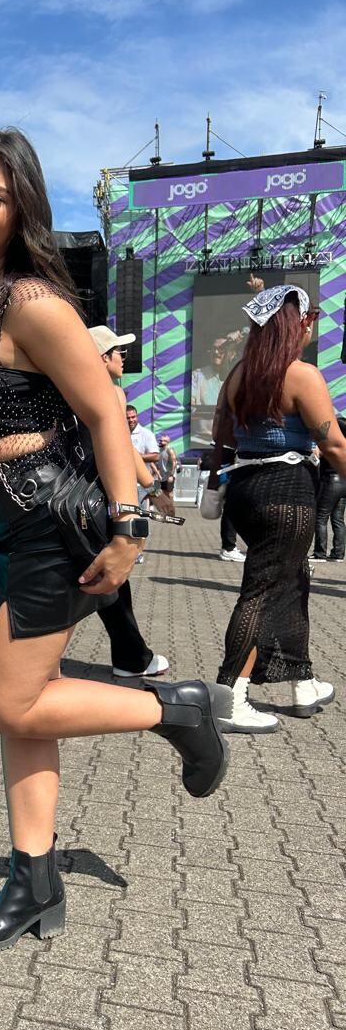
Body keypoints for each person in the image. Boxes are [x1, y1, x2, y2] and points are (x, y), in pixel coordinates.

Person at [0, 128, 231, 953]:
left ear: (23, 210)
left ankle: (174, 706)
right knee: (29, 713)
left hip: (51, 522)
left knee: (4, 700)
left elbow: (104, 416)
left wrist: (130, 530)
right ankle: (35, 881)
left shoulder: (33, 304)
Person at [208, 278, 346, 731]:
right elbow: (335, 446)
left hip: (246, 489)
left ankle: (302, 680)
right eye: (309, 319)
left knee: (292, 580)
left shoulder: (238, 374)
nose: (311, 328)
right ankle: (231, 694)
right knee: (264, 590)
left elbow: (221, 436)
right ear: (295, 323)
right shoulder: (301, 374)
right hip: (287, 491)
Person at [88, 325, 169, 679]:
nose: (123, 357)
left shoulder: (68, 389)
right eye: (118, 352)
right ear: (103, 358)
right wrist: (152, 493)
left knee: (106, 581)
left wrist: (152, 488)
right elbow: (121, 447)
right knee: (109, 579)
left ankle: (132, 654)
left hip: (73, 496)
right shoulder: (110, 393)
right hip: (100, 497)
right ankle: (131, 657)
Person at [313, 414, 346, 560]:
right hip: (344, 482)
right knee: (338, 519)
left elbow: (316, 454)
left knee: (320, 517)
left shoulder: (330, 444)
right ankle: (338, 553)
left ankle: (320, 552)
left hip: (331, 481)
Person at [155, 434, 177, 517]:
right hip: (162, 476)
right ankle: (166, 511)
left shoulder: (169, 450)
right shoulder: (161, 451)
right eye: (160, 440)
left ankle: (171, 512)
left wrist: (171, 475)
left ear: (167, 442)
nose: (160, 442)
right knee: (163, 494)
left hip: (169, 476)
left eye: (162, 440)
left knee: (169, 493)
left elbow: (174, 462)